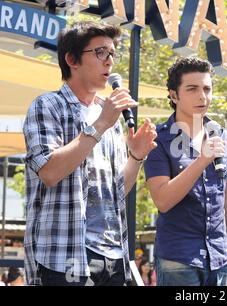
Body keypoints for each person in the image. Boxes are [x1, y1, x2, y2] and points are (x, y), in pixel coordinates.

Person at [22, 21, 157, 286]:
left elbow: (117, 191)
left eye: (112, 54)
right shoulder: (48, 105)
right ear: (71, 59)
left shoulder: (108, 116)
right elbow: (49, 172)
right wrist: (100, 125)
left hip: (113, 254)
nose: (109, 61)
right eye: (100, 53)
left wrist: (137, 156)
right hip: (65, 255)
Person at [144, 57, 227, 286]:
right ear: (174, 95)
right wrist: (202, 160)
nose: (202, 96)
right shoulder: (158, 139)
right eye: (192, 89)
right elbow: (162, 200)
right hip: (178, 259)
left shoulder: (223, 136)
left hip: (219, 258)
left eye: (207, 88)